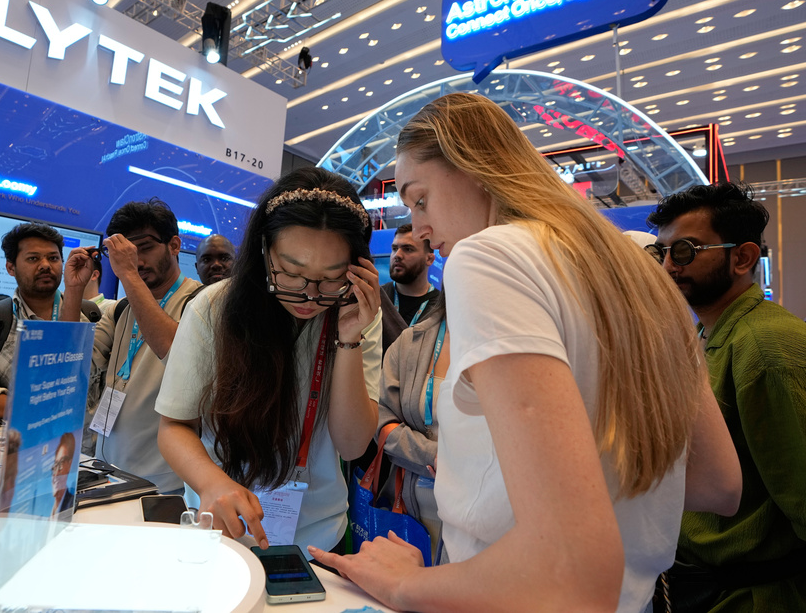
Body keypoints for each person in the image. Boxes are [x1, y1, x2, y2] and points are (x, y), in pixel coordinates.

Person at [309, 93, 742, 612]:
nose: (418, 228)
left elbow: (570, 566)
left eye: (420, 199)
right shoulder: (634, 263)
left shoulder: (487, 256)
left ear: (474, 167)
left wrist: (405, 585)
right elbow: (718, 484)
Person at [156, 167, 382, 555]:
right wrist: (211, 481)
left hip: (317, 539)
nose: (310, 296)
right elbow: (173, 426)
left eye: (331, 277)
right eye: (292, 273)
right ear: (264, 251)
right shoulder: (213, 308)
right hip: (222, 529)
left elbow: (351, 444)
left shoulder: (359, 315)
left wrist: (348, 339)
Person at [646, 182, 806, 610]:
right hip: (701, 587)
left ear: (743, 257)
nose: (667, 268)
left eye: (684, 251)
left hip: (754, 595)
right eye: (660, 253)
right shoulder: (707, 334)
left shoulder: (767, 347)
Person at [62, 199, 201, 494]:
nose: (137, 260)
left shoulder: (202, 303)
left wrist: (128, 274)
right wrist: (73, 290)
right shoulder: (122, 308)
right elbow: (69, 359)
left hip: (166, 485)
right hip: (108, 471)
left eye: (145, 248)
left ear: (174, 245)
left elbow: (176, 353)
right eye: (127, 252)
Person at [0, 222, 92, 418]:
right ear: (11, 268)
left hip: (83, 443)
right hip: (16, 442)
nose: (45, 265)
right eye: (33, 258)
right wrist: (42, 409)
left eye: (53, 258)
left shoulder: (90, 317)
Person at [376, 292, 446, 563]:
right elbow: (382, 422)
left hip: (486, 517)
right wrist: (433, 456)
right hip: (410, 507)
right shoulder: (411, 342)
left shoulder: (515, 346)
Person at [380, 223, 439, 354]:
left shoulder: (441, 308)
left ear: (429, 259)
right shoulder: (376, 298)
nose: (397, 255)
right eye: (394, 248)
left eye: (408, 249)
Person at [50, 432, 77, 517]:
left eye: (61, 464)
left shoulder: (69, 505)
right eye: (55, 465)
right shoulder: (49, 515)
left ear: (69, 464)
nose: (56, 474)